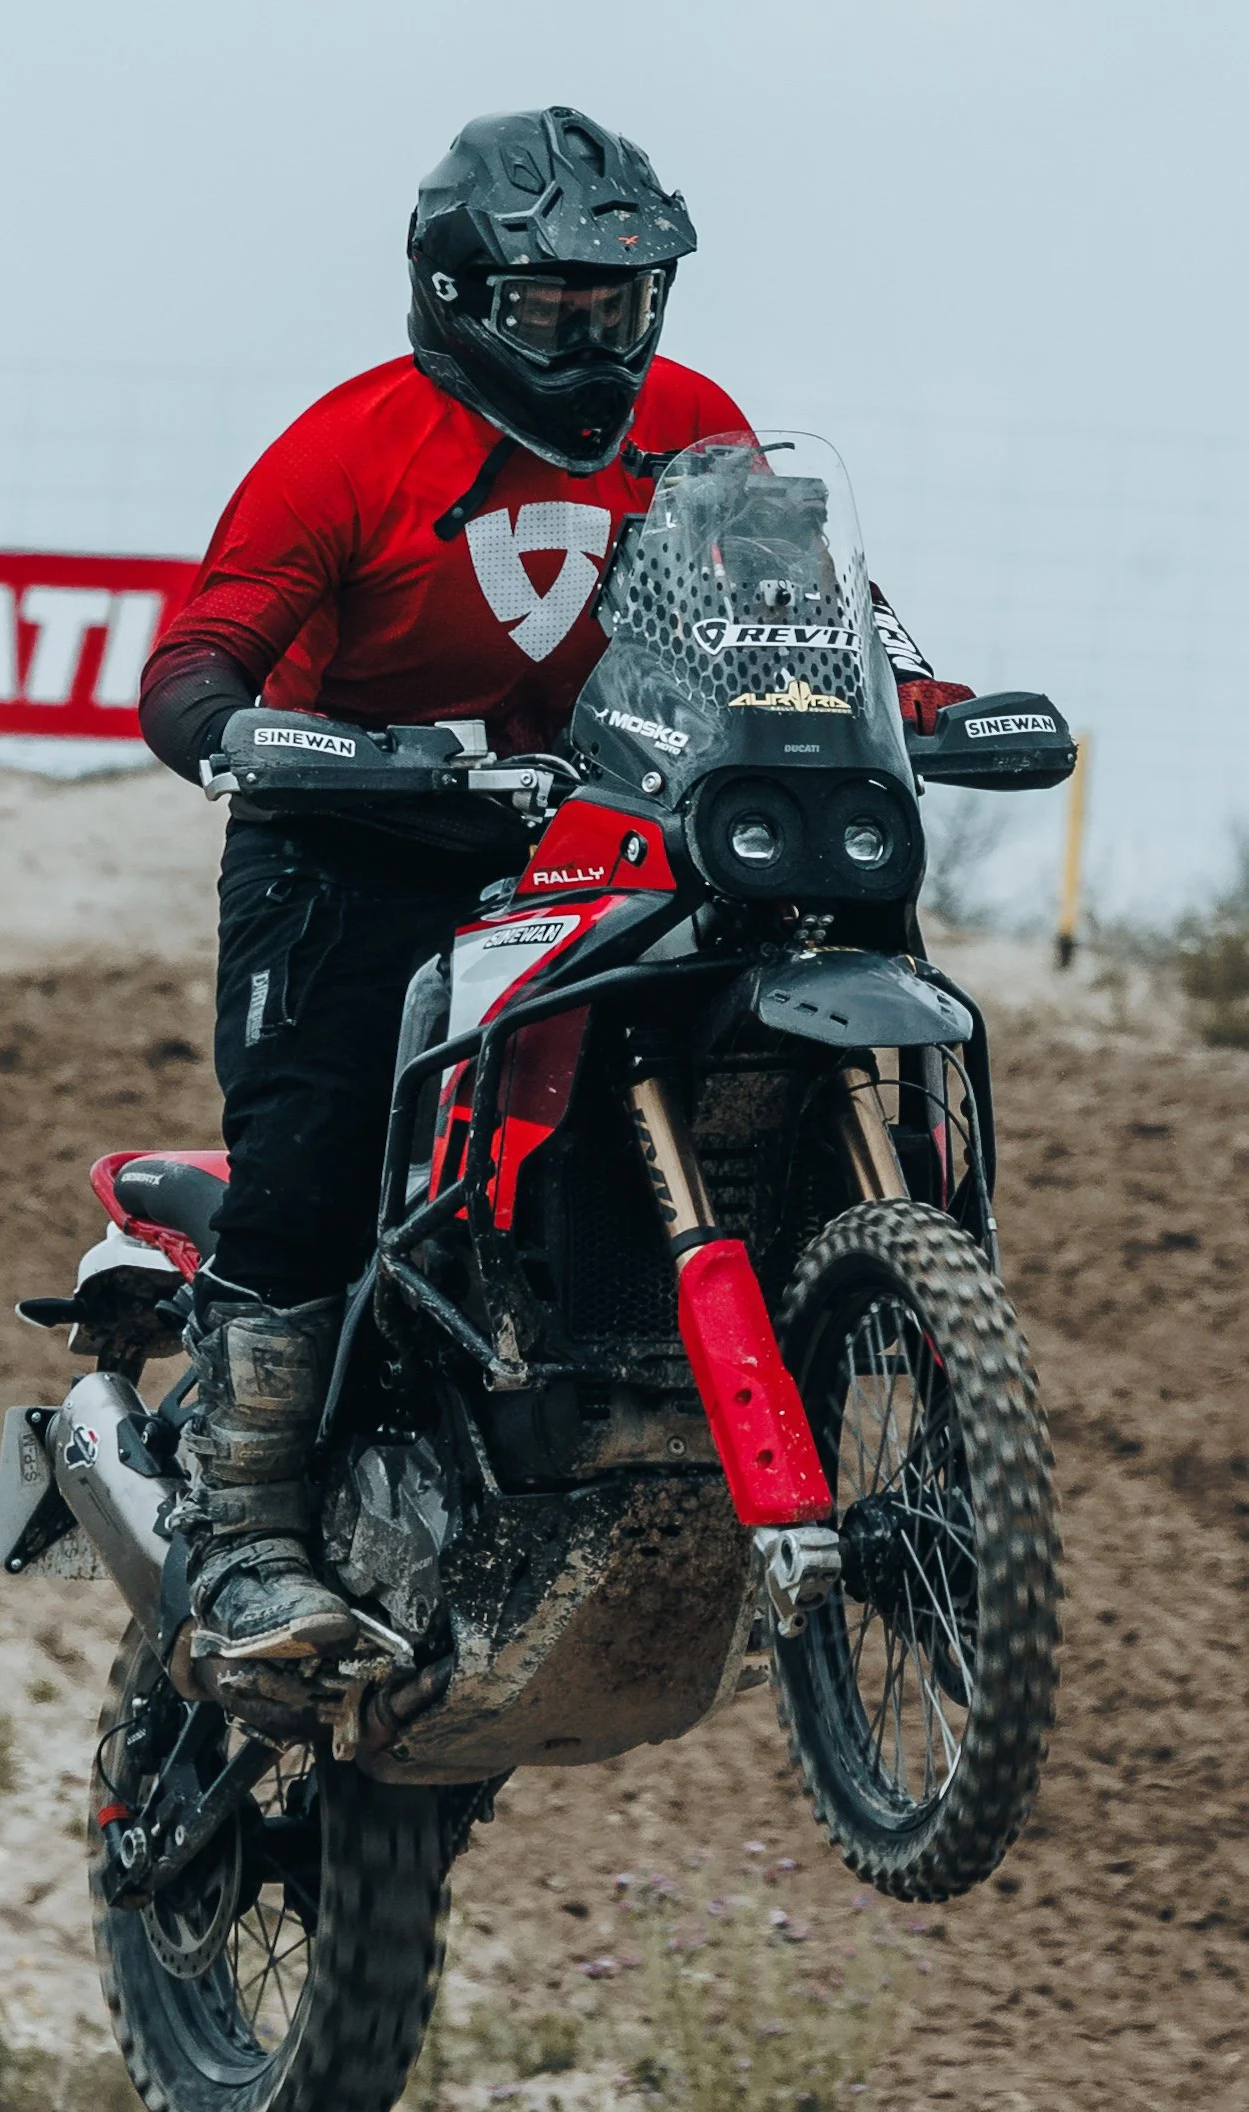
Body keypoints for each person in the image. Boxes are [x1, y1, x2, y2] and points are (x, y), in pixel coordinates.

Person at [138, 106, 971, 1666]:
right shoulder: (346, 448)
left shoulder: (699, 424)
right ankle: (242, 1530)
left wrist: (927, 710)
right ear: (458, 298)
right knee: (309, 1148)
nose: (596, 338)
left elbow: (806, 619)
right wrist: (259, 733)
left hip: (599, 828)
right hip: (356, 838)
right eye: (554, 308)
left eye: (624, 302)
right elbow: (195, 663)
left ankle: (912, 1424)